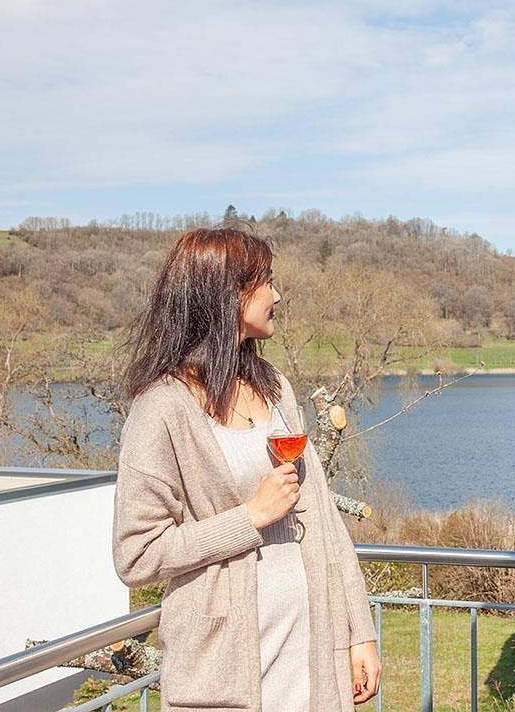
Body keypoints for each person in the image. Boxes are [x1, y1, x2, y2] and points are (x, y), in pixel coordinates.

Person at [111, 227, 380, 711]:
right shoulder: (162, 410)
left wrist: (359, 633)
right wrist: (249, 518)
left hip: (310, 653)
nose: (277, 295)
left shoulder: (275, 387)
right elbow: (136, 555)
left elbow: (323, 521)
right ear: (227, 293)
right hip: (225, 669)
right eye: (267, 282)